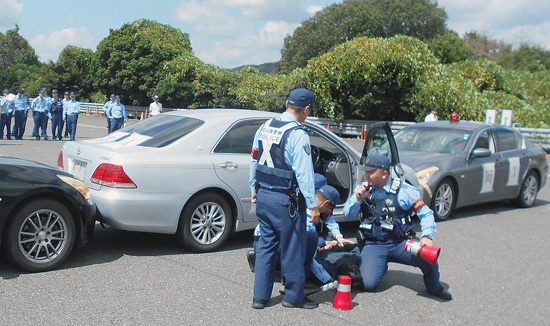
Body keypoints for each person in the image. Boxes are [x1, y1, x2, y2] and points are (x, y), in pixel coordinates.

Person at [343, 154, 452, 301]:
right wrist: (357, 199)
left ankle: (435, 288)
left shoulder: (404, 190)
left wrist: (427, 236)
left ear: (384, 174)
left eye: (371, 172)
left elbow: (425, 213)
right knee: (368, 284)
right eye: (365, 171)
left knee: (427, 258)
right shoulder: (362, 190)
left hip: (401, 243)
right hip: (375, 244)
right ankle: (380, 264)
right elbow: (348, 216)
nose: (366, 175)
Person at [249, 88, 320, 310]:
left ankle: (260, 298)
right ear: (306, 109)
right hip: (285, 200)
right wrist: (313, 205)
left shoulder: (265, 126)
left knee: (266, 247)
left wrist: (253, 188)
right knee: (292, 247)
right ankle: (293, 296)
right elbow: (304, 174)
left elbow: (254, 159)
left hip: (264, 196)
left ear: (287, 103)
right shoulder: (298, 134)